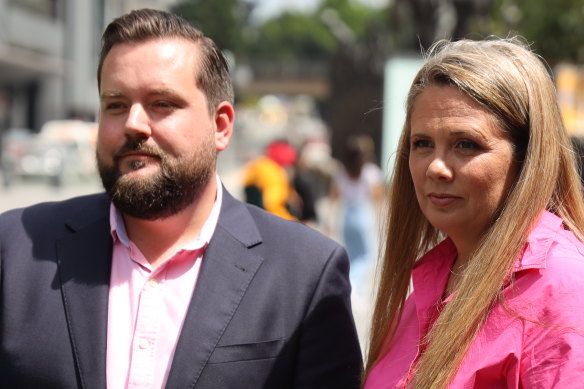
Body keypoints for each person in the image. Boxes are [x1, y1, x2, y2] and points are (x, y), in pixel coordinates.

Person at [0, 9, 362, 388]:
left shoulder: (304, 272)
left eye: (162, 104)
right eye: (116, 105)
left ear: (220, 126)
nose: (133, 124)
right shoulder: (17, 248)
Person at [363, 37, 584, 388]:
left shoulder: (562, 287)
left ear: (528, 157)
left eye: (466, 144)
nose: (436, 167)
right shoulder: (433, 276)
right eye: (422, 144)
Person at [328, 135, 384, 287]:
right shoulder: (371, 172)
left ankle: (349, 283)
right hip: (363, 214)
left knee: (351, 255)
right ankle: (353, 283)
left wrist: (329, 224)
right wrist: (380, 222)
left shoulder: (341, 173)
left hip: (347, 216)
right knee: (367, 256)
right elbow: (377, 199)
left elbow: (334, 200)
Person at [243, 139, 299, 221]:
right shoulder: (271, 172)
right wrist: (294, 223)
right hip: (267, 222)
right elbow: (272, 205)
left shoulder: (261, 164)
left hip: (255, 219)